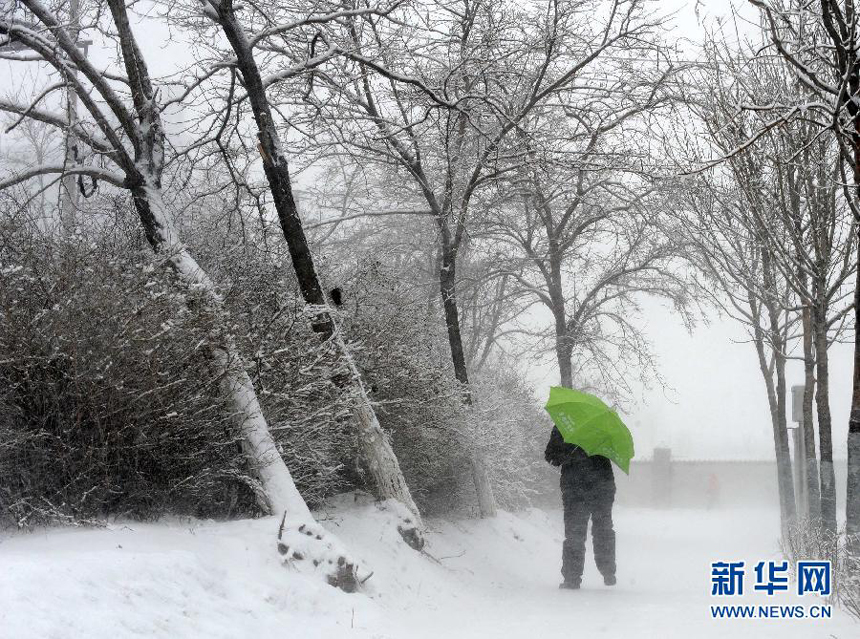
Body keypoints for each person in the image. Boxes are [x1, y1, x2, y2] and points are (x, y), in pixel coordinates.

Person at [545, 426, 616, 589]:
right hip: (592, 488)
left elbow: (551, 457)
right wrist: (570, 453)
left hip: (584, 488)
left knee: (582, 532)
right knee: (597, 530)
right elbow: (551, 456)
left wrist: (569, 454)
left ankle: (578, 577)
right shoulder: (600, 430)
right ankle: (603, 572)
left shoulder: (566, 427)